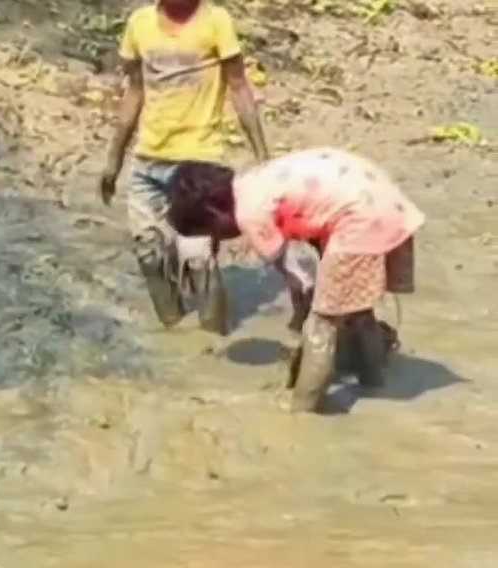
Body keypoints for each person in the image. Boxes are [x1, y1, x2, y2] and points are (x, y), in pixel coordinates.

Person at [163, 148, 424, 412]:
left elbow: (299, 276)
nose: (221, 239)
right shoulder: (253, 181)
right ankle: (373, 379)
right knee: (357, 309)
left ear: (214, 214)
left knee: (322, 324)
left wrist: (305, 310)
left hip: (359, 217)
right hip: (379, 196)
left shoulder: (248, 215)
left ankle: (302, 408)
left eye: (212, 232)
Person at [99, 0, 269, 334]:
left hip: (198, 163)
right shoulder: (140, 23)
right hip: (149, 160)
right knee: (149, 254)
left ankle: (213, 342)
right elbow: (134, 92)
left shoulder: (216, 21)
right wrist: (114, 159)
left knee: (199, 259)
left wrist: (262, 155)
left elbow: (238, 87)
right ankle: (172, 328)